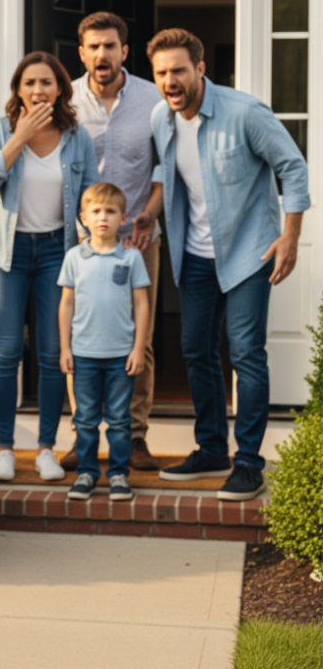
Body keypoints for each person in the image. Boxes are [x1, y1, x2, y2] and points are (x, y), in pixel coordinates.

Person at [147, 28, 309, 501]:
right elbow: (167, 170)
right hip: (194, 256)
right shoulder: (162, 118)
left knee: (245, 355)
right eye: (161, 73)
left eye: (178, 70)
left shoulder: (245, 113)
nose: (170, 81)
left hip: (249, 253)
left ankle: (248, 462)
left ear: (200, 69)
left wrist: (290, 238)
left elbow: (292, 167)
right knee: (197, 350)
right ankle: (211, 448)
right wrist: (147, 214)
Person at [0, 51, 99, 482]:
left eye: (46, 82)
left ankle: (46, 447)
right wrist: (17, 139)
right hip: (5, 254)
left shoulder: (75, 135)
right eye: (29, 83)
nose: (38, 90)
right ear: (18, 89)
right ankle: (4, 448)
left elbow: (88, 197)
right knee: (7, 353)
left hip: (56, 254)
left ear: (61, 87)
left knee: (50, 355)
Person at [64, 11, 163, 473]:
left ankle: (136, 435)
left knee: (137, 338)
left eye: (110, 46)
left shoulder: (152, 97)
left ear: (124, 50)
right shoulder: (66, 101)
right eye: (93, 47)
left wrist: (149, 215)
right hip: (80, 245)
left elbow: (168, 163)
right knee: (79, 335)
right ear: (81, 52)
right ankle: (79, 434)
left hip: (139, 241)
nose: (102, 55)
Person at [58, 183, 150, 501]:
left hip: (120, 356)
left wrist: (138, 348)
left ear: (123, 217)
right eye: (95, 211)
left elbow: (142, 304)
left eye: (110, 211)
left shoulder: (132, 258)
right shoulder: (74, 258)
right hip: (83, 354)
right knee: (84, 417)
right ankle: (86, 472)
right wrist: (66, 348)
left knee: (120, 419)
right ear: (83, 217)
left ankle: (119, 475)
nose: (102, 217)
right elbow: (66, 304)